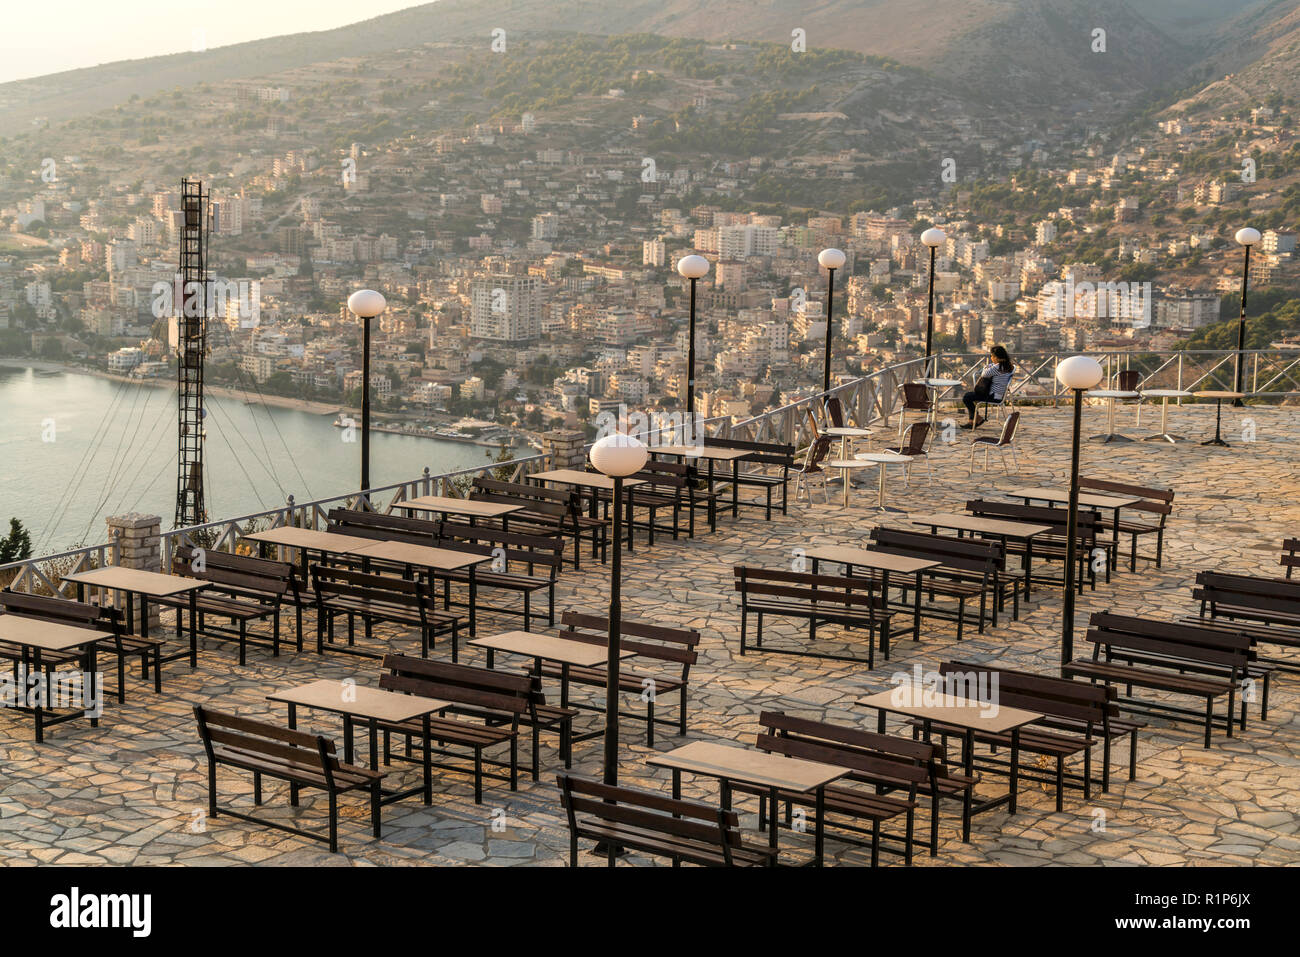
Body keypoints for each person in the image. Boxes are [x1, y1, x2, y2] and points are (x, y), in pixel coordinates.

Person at [962, 346, 1014, 429]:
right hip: (1000, 395)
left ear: (996, 357)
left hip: (993, 396)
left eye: (992, 356)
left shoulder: (997, 367)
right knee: (969, 396)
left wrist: (987, 367)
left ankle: (975, 419)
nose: (991, 358)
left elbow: (984, 374)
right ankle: (974, 419)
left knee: (967, 397)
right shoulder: (1009, 366)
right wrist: (991, 366)